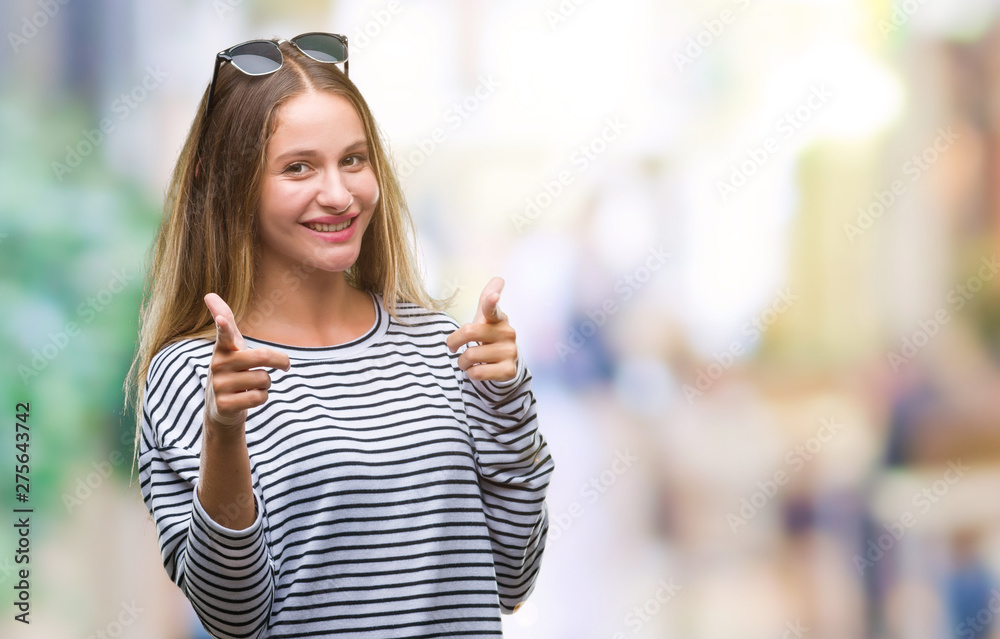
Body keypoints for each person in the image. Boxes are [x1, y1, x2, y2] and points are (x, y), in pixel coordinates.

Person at [124, 32, 554, 638]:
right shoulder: (194, 375)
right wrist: (224, 435)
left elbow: (512, 580)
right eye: (298, 167)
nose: (339, 193)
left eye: (353, 159)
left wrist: (508, 398)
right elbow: (233, 619)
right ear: (228, 184)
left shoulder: (445, 347)